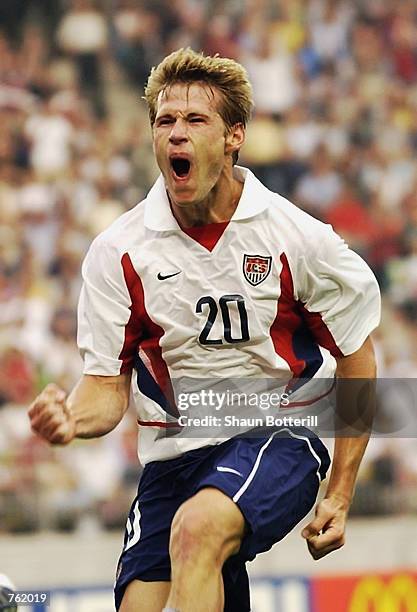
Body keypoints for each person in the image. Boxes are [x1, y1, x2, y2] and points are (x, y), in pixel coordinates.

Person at [28, 48, 381, 612]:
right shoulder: (118, 252)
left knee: (197, 528)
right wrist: (72, 418)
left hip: (279, 435)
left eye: (195, 120)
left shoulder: (297, 237)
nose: (176, 135)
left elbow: (358, 358)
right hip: (174, 458)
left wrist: (340, 491)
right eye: (165, 121)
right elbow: (105, 388)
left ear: (234, 135)